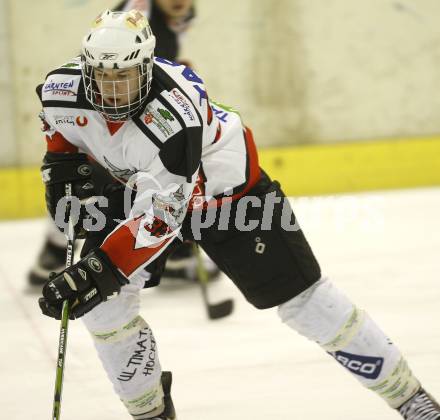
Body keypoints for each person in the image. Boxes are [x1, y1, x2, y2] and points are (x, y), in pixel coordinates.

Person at [37, 9, 440, 420]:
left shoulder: (175, 115)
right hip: (138, 190)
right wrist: (63, 176)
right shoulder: (60, 91)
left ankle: (411, 399)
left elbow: (161, 220)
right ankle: (150, 412)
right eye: (103, 77)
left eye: (124, 76)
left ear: (146, 67)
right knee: (103, 307)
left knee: (306, 302)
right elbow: (61, 141)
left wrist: (98, 268)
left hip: (225, 196)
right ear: (86, 69)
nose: (113, 91)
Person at [28, 0, 205, 286]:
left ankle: (170, 246)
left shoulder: (180, 16)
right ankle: (55, 247)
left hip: (128, 101)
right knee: (83, 177)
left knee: (166, 174)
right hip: (100, 105)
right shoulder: (140, 11)